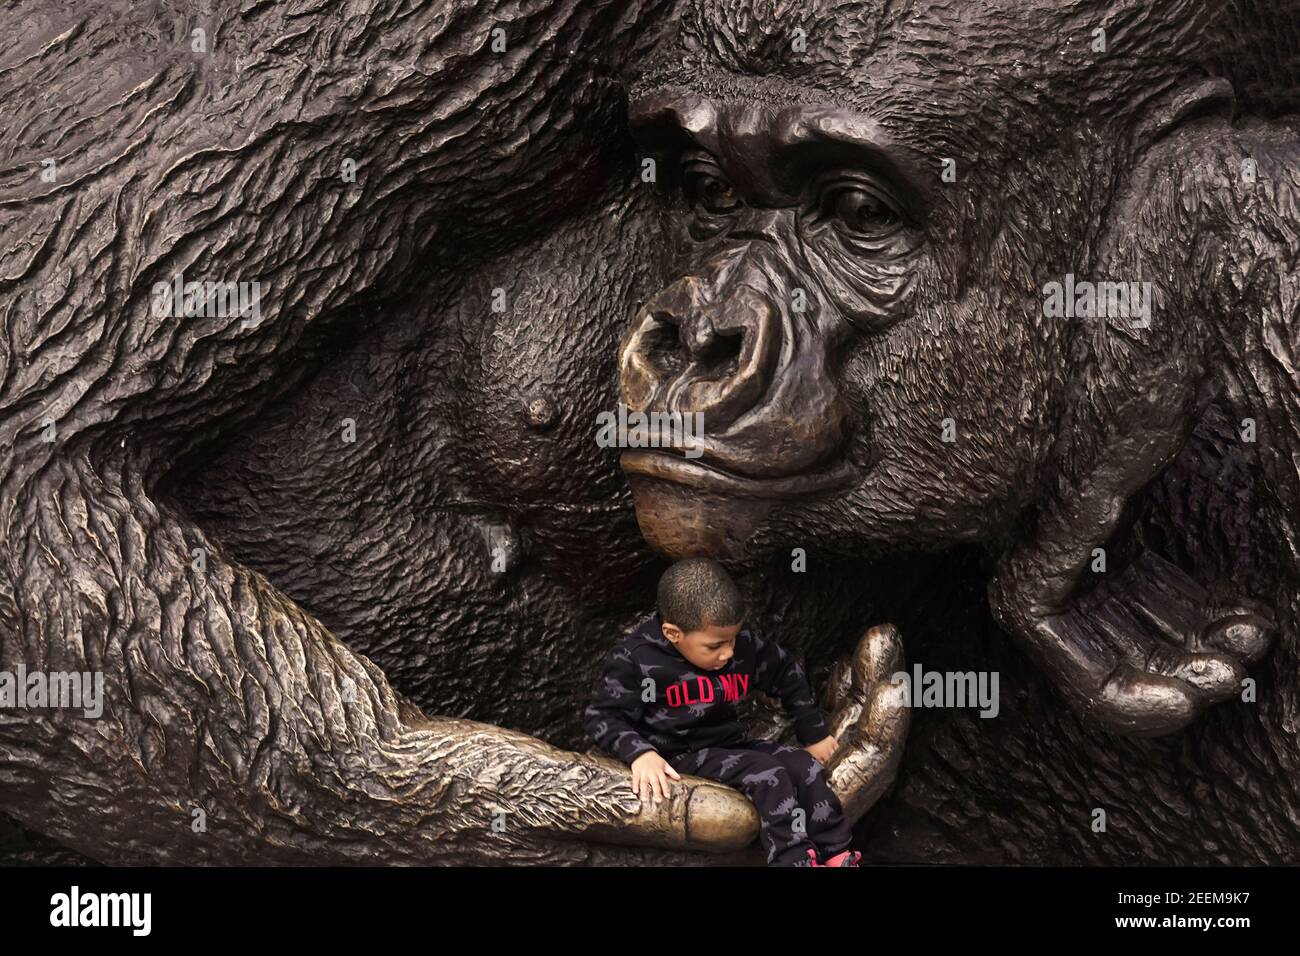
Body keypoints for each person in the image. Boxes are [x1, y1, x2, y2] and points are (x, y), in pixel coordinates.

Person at [584, 557, 861, 867]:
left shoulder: (739, 646)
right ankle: (793, 860)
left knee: (804, 765)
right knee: (769, 776)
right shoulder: (636, 658)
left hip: (732, 745)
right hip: (677, 757)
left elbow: (786, 673)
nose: (728, 653)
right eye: (715, 646)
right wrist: (640, 754)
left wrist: (813, 733)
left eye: (732, 640)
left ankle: (836, 853)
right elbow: (602, 717)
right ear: (674, 634)